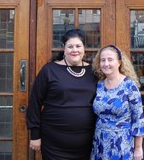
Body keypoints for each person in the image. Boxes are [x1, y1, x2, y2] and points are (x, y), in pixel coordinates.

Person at [26, 29, 97, 159]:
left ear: (84, 49)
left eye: (78, 46)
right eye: (70, 46)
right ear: (64, 49)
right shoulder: (49, 70)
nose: (74, 50)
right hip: (54, 143)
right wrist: (35, 135)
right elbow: (34, 103)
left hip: (86, 142)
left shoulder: (93, 71)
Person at [91, 44, 144, 160]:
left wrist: (138, 148)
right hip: (100, 142)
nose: (106, 63)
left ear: (119, 62)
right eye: (103, 60)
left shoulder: (129, 86)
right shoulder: (99, 84)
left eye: (110, 59)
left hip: (122, 143)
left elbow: (138, 119)